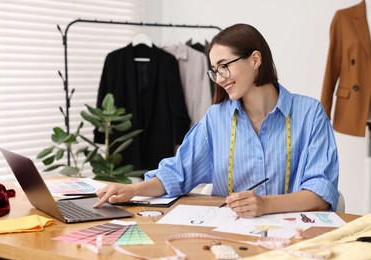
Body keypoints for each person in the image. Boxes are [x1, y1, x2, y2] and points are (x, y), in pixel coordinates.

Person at [94, 23, 339, 217]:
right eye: (214, 71)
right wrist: (132, 190)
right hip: (232, 237)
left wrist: (265, 205)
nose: (219, 78)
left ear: (255, 59)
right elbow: (178, 173)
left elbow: (320, 193)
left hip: (296, 240)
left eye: (224, 66)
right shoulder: (216, 118)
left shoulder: (310, 114)